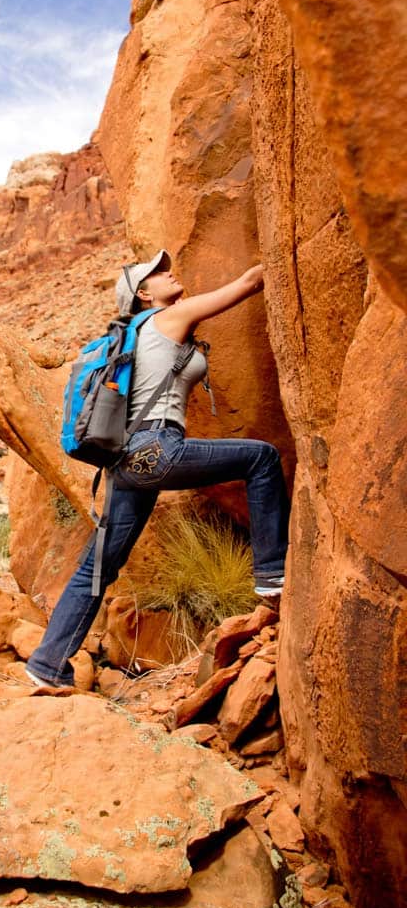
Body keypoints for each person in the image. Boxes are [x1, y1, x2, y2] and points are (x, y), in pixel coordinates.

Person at [26, 248, 290, 689]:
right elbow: (246, 284)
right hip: (157, 449)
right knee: (261, 457)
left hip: (126, 464)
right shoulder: (168, 317)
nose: (169, 274)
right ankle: (272, 578)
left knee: (97, 569)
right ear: (144, 294)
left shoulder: (135, 333)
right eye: (157, 274)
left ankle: (47, 664)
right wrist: (288, 250)